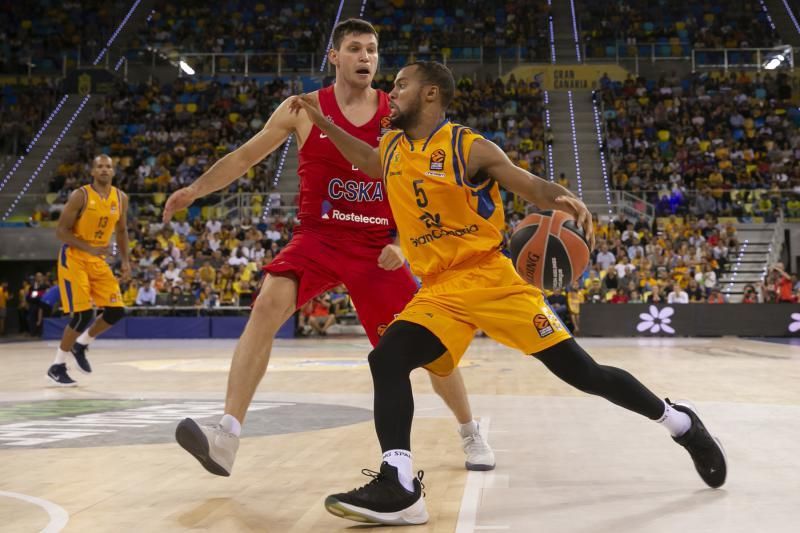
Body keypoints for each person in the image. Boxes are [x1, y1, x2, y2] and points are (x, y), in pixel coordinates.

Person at [291, 60, 726, 526]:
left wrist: (565, 199)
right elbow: (365, 160)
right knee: (388, 359)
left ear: (432, 94)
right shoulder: (393, 146)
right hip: (439, 289)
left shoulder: (466, 146)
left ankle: (679, 422)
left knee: (585, 374)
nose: (390, 93)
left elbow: (528, 183)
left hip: (491, 280)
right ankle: (398, 484)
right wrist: (322, 122)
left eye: (401, 85)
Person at [162, 19, 494, 477]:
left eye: (372, 50)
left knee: (432, 348)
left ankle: (470, 431)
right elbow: (243, 156)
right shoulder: (301, 108)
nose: (366, 58)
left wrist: (403, 242)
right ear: (334, 57)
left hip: (377, 247)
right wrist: (194, 191)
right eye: (355, 49)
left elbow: (423, 182)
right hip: (317, 238)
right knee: (265, 308)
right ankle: (227, 436)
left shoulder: (396, 113)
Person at [47, 154, 129, 386]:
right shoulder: (80, 196)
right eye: (100, 167)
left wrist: (126, 261)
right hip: (74, 257)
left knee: (116, 311)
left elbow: (122, 232)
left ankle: (81, 344)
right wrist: (89, 248)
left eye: (108, 167)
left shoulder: (120, 198)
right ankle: (57, 366)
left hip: (97, 259)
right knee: (84, 314)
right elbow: (61, 232)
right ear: (92, 172)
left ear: (113, 171)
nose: (104, 170)